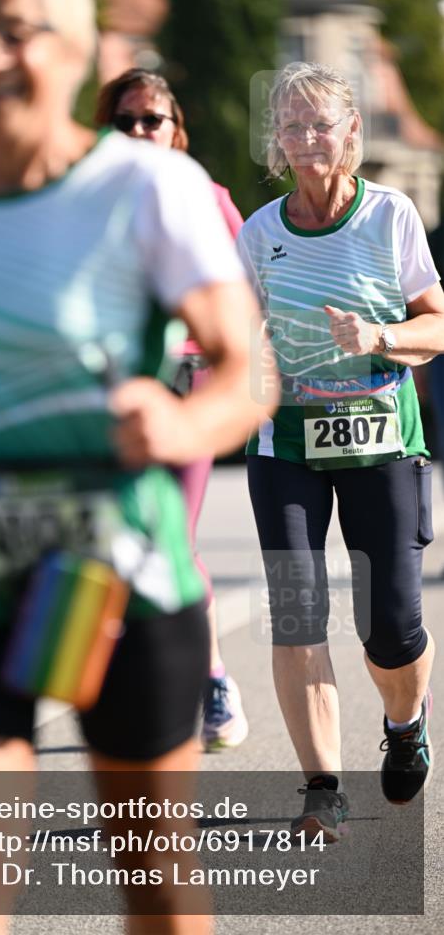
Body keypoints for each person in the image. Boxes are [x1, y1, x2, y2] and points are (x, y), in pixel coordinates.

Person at [0, 0, 277, 931]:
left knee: (152, 884)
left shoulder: (146, 189)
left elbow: (248, 376)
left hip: (124, 566)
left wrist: (177, 419)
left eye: (11, 33)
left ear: (74, 51)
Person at [237, 61, 444, 840]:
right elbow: (233, 333)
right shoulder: (258, 234)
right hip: (283, 444)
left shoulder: (389, 215)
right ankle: (320, 787)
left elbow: (437, 323)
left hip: (382, 440)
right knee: (296, 617)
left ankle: (403, 722)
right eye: (290, 125)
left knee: (389, 626)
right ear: (276, 142)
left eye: (320, 123)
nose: (305, 137)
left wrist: (382, 336)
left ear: (350, 131)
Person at [94, 68, 249, 750]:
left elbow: (246, 294)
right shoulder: (86, 202)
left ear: (174, 129)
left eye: (150, 119)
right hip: (114, 397)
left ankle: (212, 679)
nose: (137, 131)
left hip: (186, 387)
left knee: (172, 540)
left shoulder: (204, 196)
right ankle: (115, 680)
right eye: (124, 120)